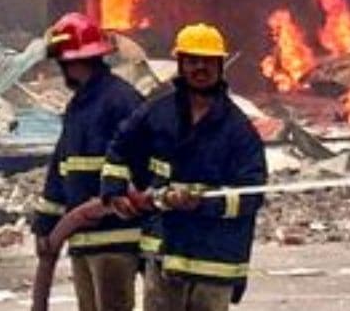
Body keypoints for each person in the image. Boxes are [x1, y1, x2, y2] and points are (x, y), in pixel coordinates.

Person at [99, 23, 267, 311]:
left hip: (214, 260)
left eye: (208, 61)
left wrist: (203, 202)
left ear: (220, 66)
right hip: (165, 253)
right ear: (180, 64)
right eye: (192, 61)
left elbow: (252, 195)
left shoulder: (238, 129)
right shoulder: (157, 112)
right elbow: (120, 147)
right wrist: (114, 190)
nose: (200, 68)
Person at [31, 13, 146, 311]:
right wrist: (46, 224)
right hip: (82, 239)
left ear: (74, 61)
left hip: (114, 237)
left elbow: (144, 166)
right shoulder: (79, 106)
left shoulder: (121, 101)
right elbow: (62, 170)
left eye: (61, 61)